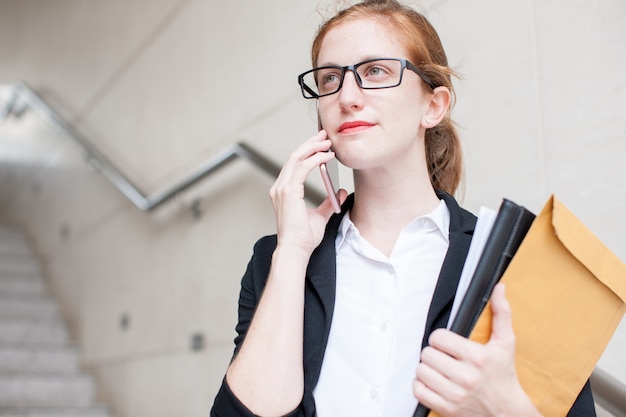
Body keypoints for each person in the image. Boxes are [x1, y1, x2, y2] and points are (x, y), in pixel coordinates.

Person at [211, 1, 596, 416]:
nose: (347, 96)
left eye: (375, 71)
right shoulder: (277, 260)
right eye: (330, 78)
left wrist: (506, 407)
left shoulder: (515, 261)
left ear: (434, 105)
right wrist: (291, 255)